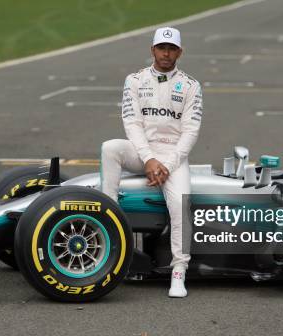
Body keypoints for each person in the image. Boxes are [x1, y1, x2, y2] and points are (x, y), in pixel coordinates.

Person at [100, 27, 203, 298]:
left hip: (174, 157)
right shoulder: (134, 80)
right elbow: (131, 122)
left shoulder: (191, 85)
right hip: (142, 152)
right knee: (109, 148)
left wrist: (166, 165)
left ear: (180, 52)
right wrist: (148, 159)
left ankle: (179, 272)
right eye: (161, 47)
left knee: (182, 203)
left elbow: (190, 132)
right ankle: (107, 235)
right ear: (152, 50)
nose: (166, 53)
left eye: (171, 48)